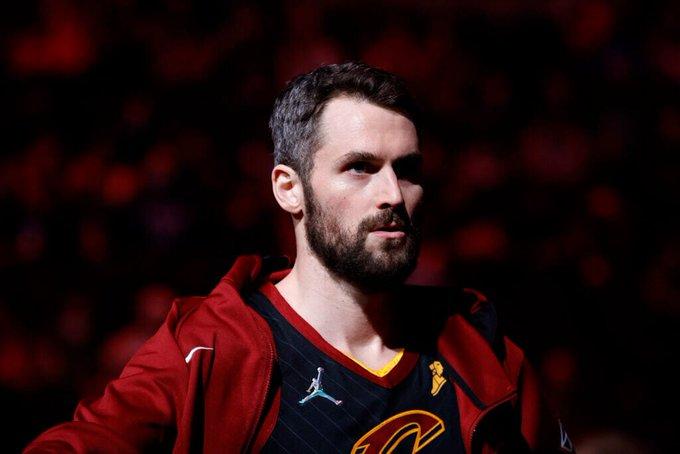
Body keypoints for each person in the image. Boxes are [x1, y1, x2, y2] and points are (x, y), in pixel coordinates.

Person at [25, 62, 573, 453]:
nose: (392, 194)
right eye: (360, 167)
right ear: (289, 189)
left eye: (407, 170)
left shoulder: (482, 351)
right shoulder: (207, 348)